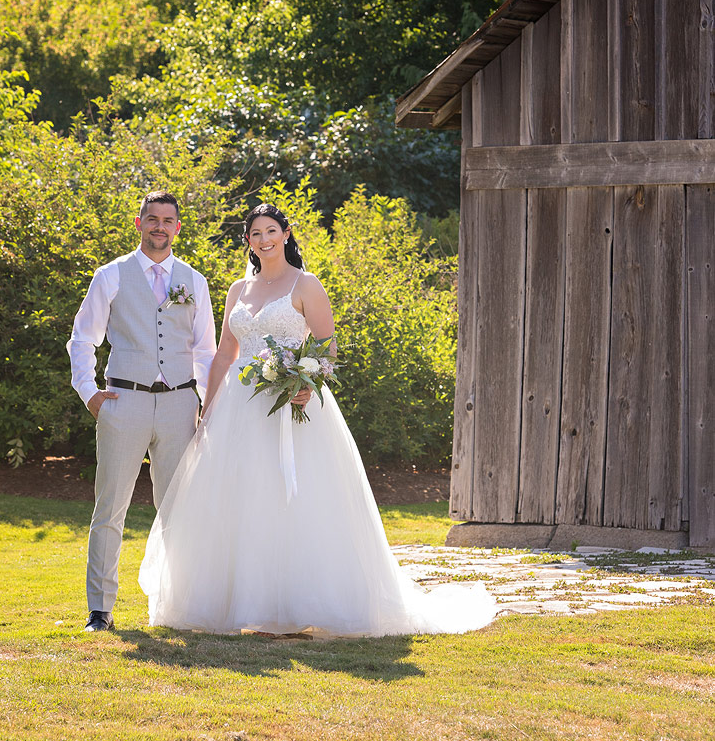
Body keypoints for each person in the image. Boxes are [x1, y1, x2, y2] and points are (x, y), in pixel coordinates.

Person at [138, 203, 495, 637]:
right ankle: (241, 606)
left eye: (271, 231)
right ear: (247, 241)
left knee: (293, 501)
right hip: (237, 409)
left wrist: (303, 380)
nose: (264, 239)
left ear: (286, 234)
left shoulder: (305, 284)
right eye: (255, 234)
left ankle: (293, 608)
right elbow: (224, 356)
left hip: (293, 404)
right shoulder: (237, 289)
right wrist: (206, 411)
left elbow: (328, 346)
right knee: (243, 501)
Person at [67, 190, 215, 632]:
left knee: (177, 510)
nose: (159, 227)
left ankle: (180, 607)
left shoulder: (195, 281)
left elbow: (206, 350)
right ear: (139, 224)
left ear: (178, 228)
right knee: (110, 506)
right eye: (152, 219)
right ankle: (100, 609)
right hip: (122, 401)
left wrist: (204, 403)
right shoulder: (110, 275)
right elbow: (82, 339)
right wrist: (89, 392)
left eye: (168, 220)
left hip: (179, 406)